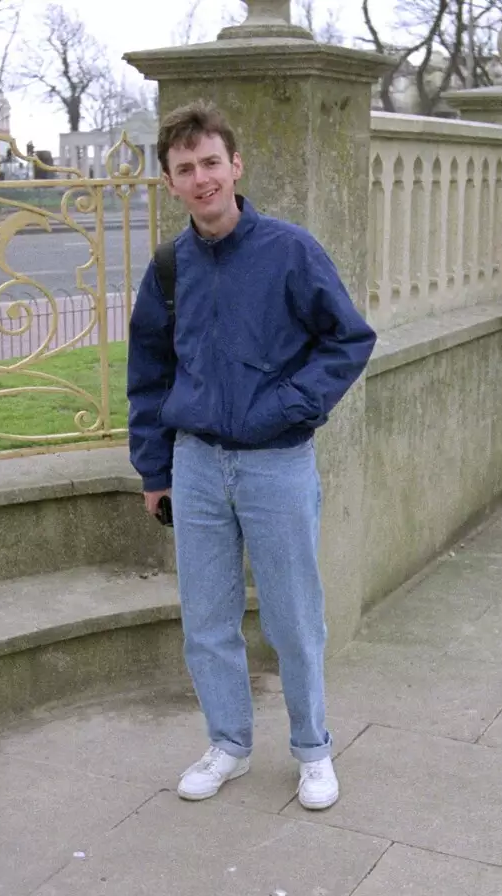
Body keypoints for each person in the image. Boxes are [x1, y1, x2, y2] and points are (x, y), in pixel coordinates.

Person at [126, 102, 377, 811]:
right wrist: (154, 469)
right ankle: (229, 745)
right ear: (170, 182)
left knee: (293, 617)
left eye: (211, 162)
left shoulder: (290, 251)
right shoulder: (170, 268)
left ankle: (313, 750)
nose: (201, 178)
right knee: (207, 620)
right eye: (185, 169)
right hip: (196, 465)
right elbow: (147, 373)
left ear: (235, 165)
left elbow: (348, 340)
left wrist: (288, 408)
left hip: (275, 464)